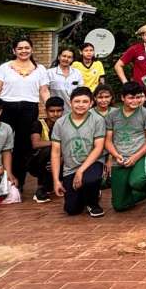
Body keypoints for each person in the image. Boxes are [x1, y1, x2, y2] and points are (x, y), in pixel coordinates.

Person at [0, 36, 50, 193]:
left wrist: (51, 107)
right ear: (14, 50)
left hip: (29, 109)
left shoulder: (40, 69)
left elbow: (44, 91)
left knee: (23, 146)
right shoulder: (5, 67)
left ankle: (18, 181)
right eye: (20, 48)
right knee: (3, 142)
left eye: (27, 48)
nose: (23, 51)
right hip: (7, 107)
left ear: (32, 49)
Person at [49, 87, 107, 217]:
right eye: (77, 101)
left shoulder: (97, 120)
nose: (81, 105)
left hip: (92, 163)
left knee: (90, 180)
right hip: (70, 168)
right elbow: (55, 152)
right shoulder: (60, 123)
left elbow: (98, 148)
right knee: (72, 209)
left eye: (85, 101)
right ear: (70, 102)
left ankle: (93, 202)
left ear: (91, 103)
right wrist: (56, 180)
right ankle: (85, 194)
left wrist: (80, 171)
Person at [104, 81, 146, 212]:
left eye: (138, 97)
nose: (135, 101)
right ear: (123, 98)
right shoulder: (112, 115)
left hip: (140, 156)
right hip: (120, 158)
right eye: (131, 97)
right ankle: (142, 192)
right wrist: (116, 155)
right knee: (119, 205)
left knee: (137, 181)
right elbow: (108, 141)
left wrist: (135, 157)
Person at [30, 96, 65, 203]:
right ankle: (41, 187)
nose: (55, 114)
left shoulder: (65, 124)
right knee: (49, 150)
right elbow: (36, 144)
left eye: (59, 111)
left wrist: (60, 160)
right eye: (52, 111)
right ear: (46, 111)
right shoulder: (38, 124)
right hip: (38, 163)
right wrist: (57, 143)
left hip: (61, 160)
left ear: (63, 111)